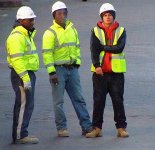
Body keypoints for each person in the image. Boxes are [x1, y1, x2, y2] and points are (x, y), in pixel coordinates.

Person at [42, 1, 92, 137]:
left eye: (64, 12)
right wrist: (51, 72)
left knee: (79, 99)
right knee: (59, 102)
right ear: (54, 15)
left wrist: (77, 63)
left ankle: (87, 127)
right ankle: (61, 128)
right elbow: (47, 54)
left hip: (72, 69)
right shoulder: (50, 33)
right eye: (59, 13)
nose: (62, 15)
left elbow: (77, 47)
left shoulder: (72, 29)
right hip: (58, 71)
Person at [86, 3, 129, 138]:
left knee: (118, 100)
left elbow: (119, 48)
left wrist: (103, 47)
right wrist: (97, 65)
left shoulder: (121, 30)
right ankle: (97, 128)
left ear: (113, 16)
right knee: (98, 101)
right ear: (102, 17)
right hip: (100, 72)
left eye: (110, 15)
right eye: (105, 15)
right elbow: (94, 49)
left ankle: (121, 128)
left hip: (116, 73)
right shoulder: (95, 30)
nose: (108, 17)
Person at [6, 6, 39, 144]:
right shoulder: (17, 37)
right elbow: (17, 60)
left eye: (33, 19)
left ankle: (21, 133)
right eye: (29, 19)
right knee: (23, 105)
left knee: (26, 105)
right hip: (21, 75)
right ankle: (20, 135)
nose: (32, 21)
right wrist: (25, 78)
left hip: (27, 74)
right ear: (21, 20)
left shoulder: (25, 34)